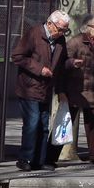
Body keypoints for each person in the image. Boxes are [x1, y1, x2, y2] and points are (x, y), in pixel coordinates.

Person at [11, 9, 75, 171]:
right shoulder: (34, 34)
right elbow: (17, 56)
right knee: (32, 123)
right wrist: (40, 69)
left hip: (46, 89)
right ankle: (25, 158)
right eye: (60, 29)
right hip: (29, 88)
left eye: (65, 30)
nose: (62, 33)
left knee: (44, 126)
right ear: (50, 24)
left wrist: (72, 63)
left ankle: (39, 160)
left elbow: (61, 63)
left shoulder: (60, 40)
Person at [47, 14, 94, 165]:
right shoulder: (75, 42)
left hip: (91, 91)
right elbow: (61, 66)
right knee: (64, 124)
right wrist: (61, 91)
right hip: (73, 91)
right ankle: (49, 158)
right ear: (87, 27)